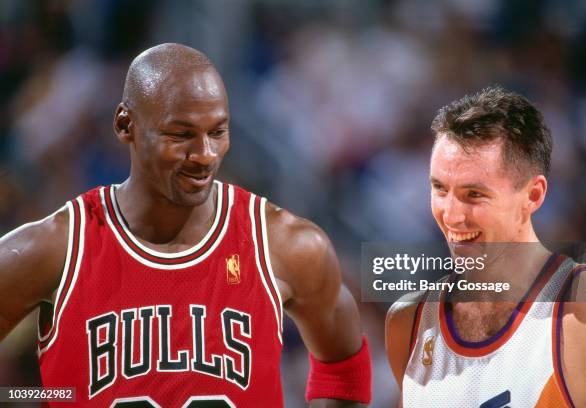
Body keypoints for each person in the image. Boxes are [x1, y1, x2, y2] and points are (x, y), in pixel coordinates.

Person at [0, 43, 371, 407]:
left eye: (217, 131)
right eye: (181, 135)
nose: (205, 154)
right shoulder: (56, 247)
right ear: (125, 125)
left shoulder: (287, 244)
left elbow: (344, 370)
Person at [385, 86, 586, 407]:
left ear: (533, 195)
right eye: (439, 189)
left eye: (474, 194)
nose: (451, 214)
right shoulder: (407, 322)